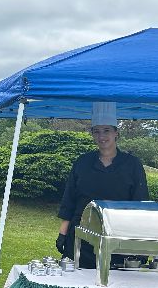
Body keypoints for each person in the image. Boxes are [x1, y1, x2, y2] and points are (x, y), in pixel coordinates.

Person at [56, 102, 149, 269]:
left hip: (117, 238)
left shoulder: (132, 165)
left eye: (106, 130)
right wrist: (63, 234)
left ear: (116, 133)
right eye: (96, 131)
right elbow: (69, 200)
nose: (102, 136)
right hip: (80, 237)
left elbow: (140, 205)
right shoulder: (82, 162)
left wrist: (139, 242)